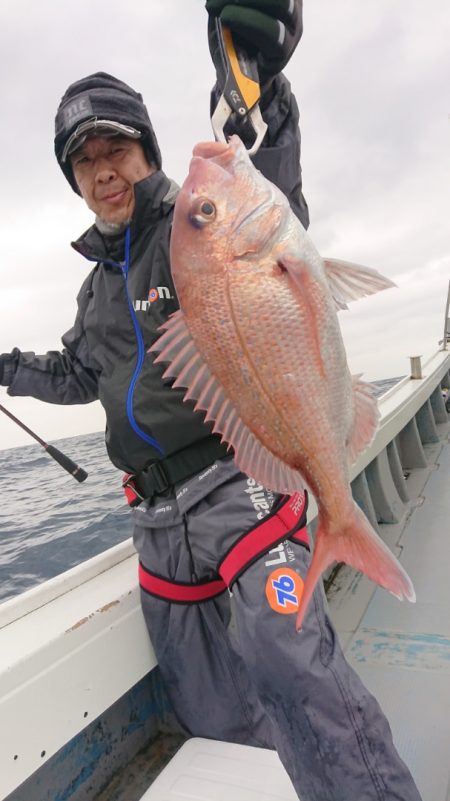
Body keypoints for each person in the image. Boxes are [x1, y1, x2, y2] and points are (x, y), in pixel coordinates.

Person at [0, 3, 422, 800]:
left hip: (237, 488)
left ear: (145, 149)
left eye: (115, 147)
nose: (102, 170)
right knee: (202, 693)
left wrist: (267, 93)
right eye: (83, 161)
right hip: (153, 522)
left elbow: (276, 193)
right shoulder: (94, 291)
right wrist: (5, 367)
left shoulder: (196, 226)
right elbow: (75, 374)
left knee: (291, 660)